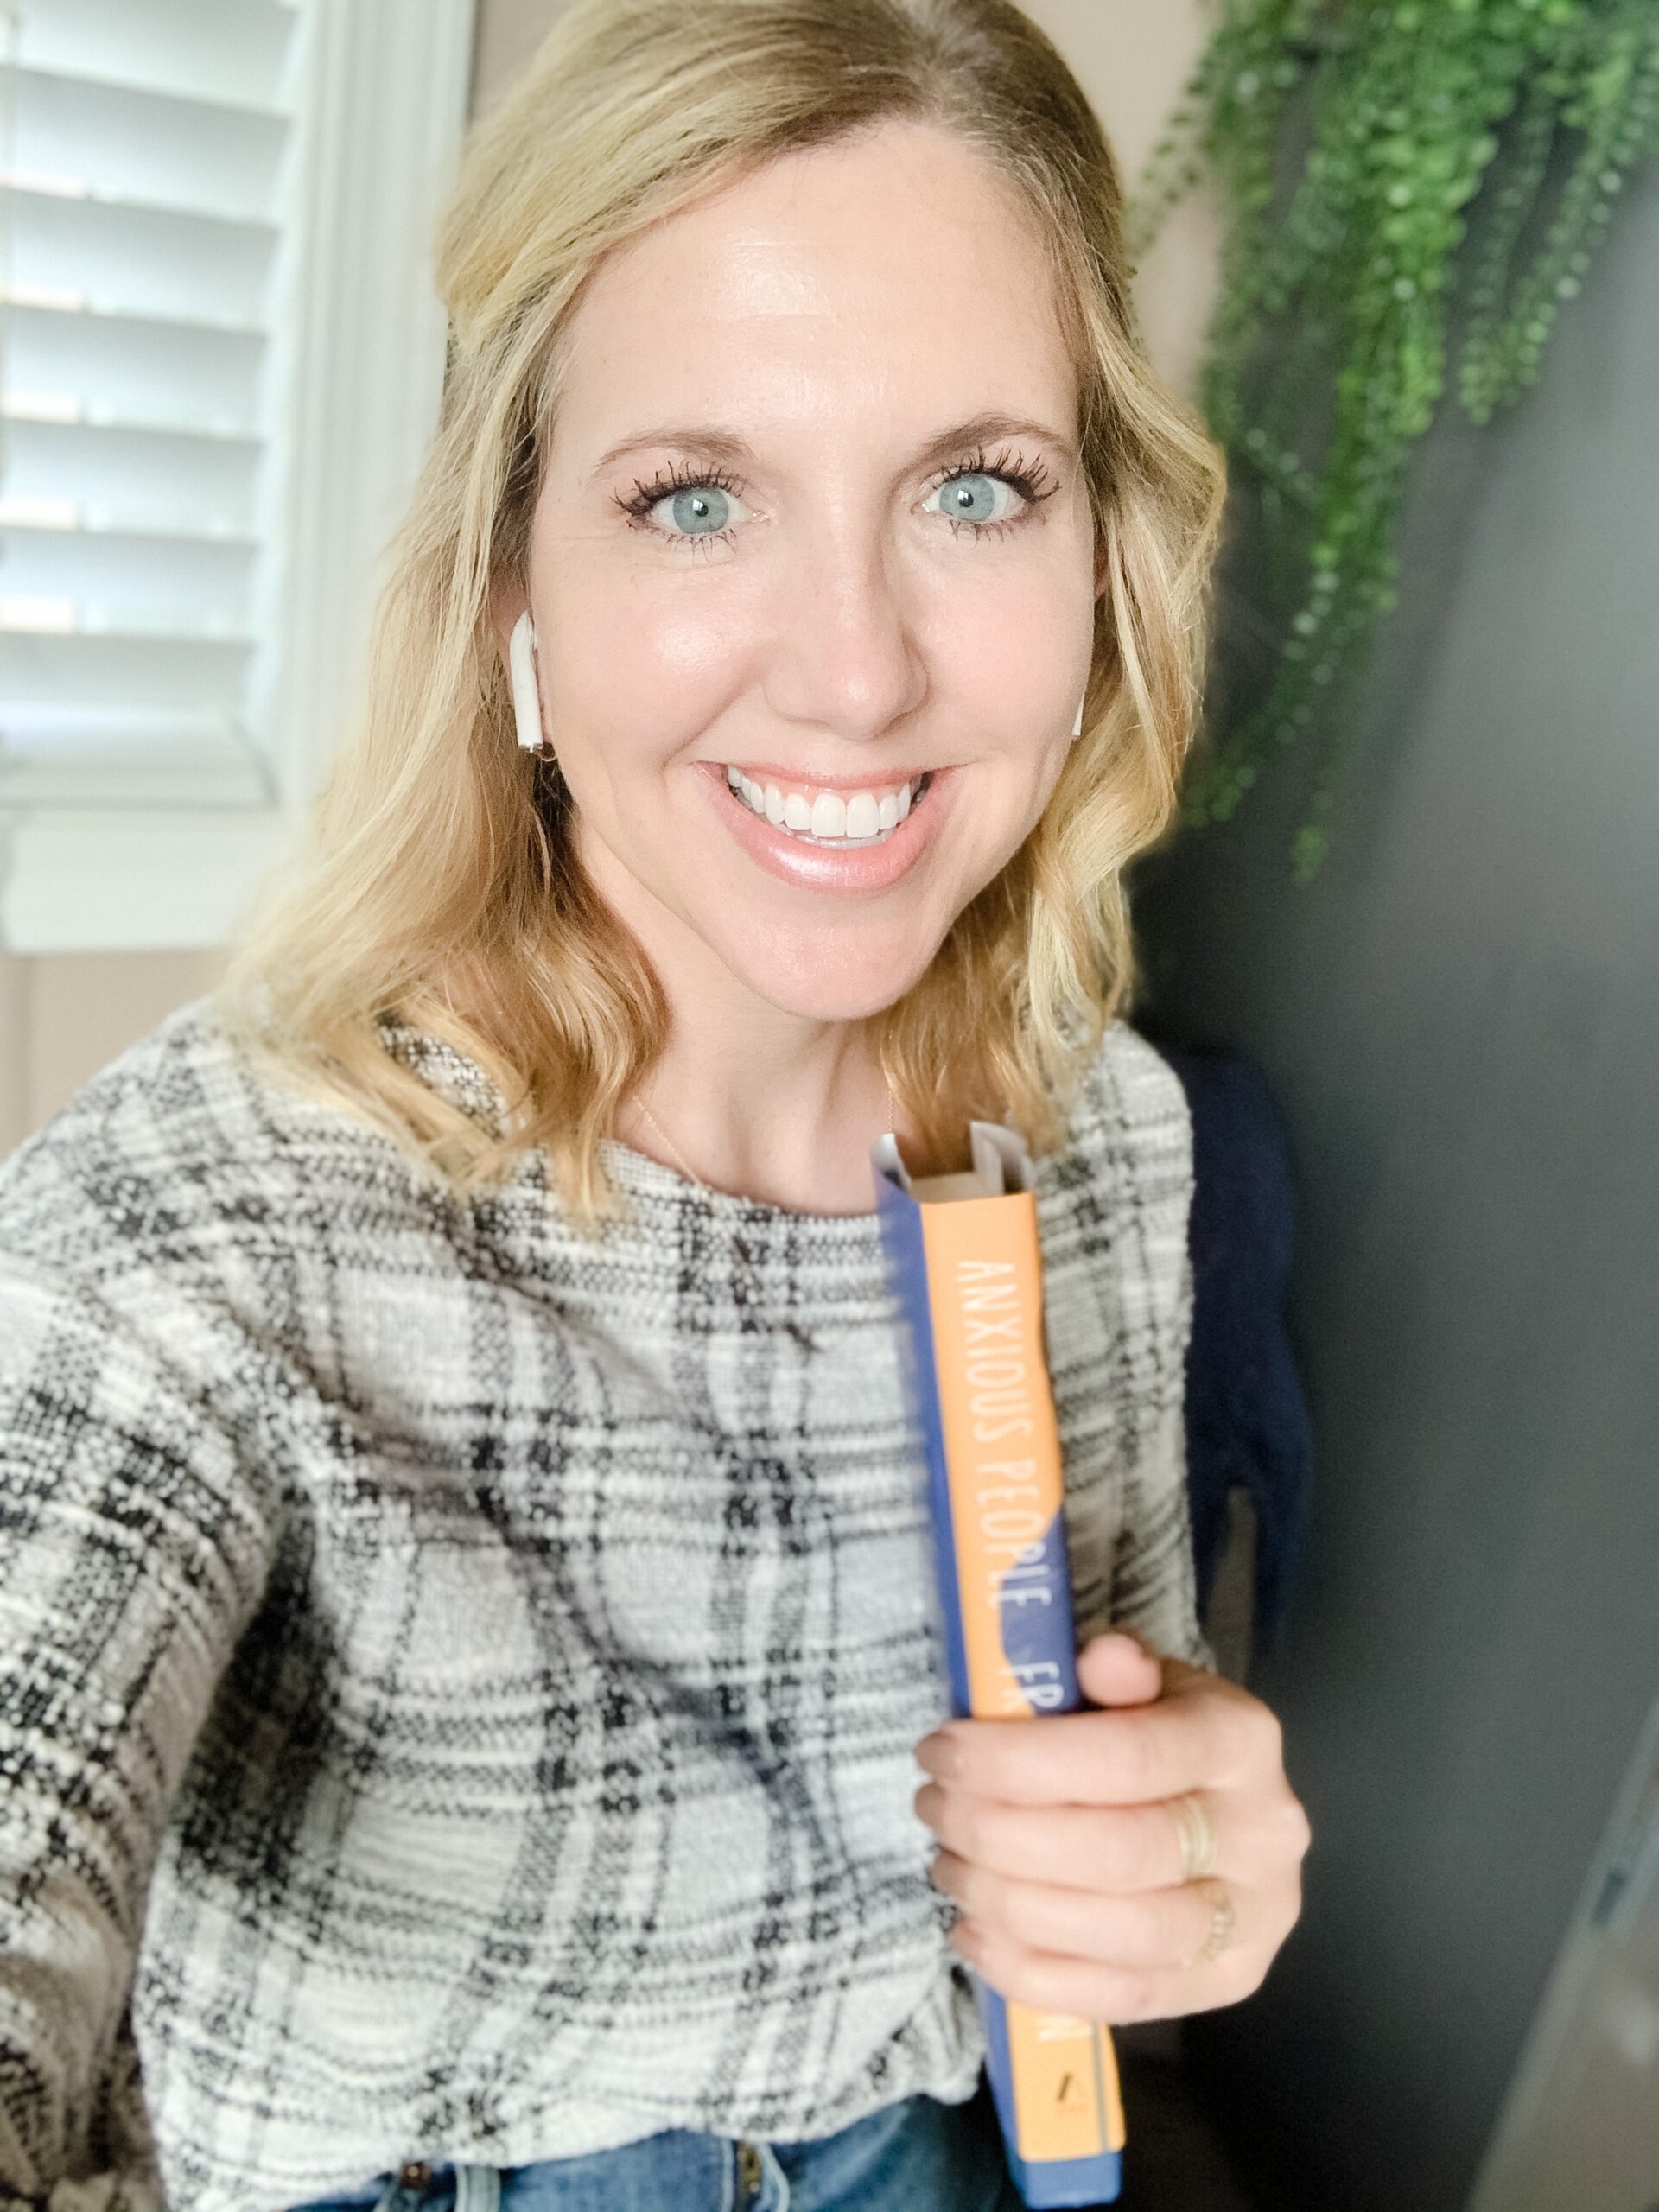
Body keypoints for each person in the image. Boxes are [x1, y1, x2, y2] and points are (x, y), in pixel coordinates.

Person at [0, 3, 1312, 2209]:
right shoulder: (199, 1235)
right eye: (695, 499)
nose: (857, 668)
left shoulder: (1106, 1144)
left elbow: (1093, 1913)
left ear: (1103, 552)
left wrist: (1178, 1864)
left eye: (974, 487)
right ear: (515, 575)